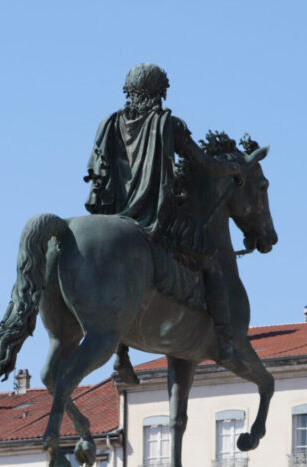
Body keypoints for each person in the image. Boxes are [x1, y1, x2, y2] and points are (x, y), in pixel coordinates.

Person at [84, 63, 240, 382]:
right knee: (210, 256)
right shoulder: (169, 124)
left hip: (113, 216)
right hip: (154, 217)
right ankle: (225, 339)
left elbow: (98, 172)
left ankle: (120, 354)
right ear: (159, 92)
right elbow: (205, 163)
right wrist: (234, 168)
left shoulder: (109, 124)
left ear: (129, 92)